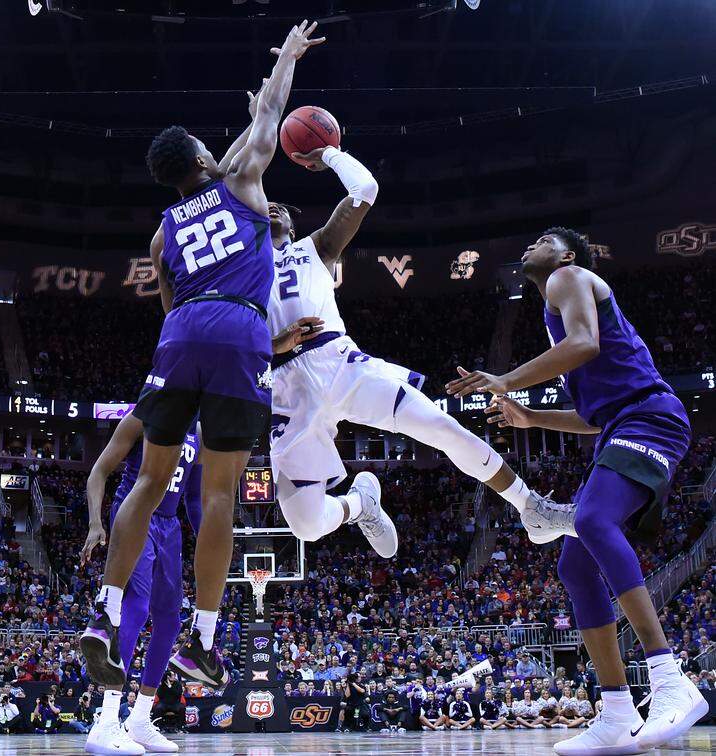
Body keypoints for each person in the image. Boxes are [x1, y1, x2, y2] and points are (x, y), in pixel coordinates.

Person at [81, 20, 325, 696]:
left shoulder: (163, 231)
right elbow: (272, 116)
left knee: (149, 485)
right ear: (200, 158)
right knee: (219, 493)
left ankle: (101, 618)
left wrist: (198, 349)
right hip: (237, 330)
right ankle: (205, 641)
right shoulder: (245, 181)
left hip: (179, 335)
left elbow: (169, 308)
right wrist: (287, 61)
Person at [465, 227, 709, 754]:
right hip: (623, 424)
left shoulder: (567, 278)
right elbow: (594, 416)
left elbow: (586, 345)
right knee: (574, 566)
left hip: (651, 419)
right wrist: (530, 418)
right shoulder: (557, 309)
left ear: (567, 254)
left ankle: (670, 677)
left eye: (544, 238)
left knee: (594, 521)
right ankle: (618, 711)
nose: (531, 244)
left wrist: (506, 381)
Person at [264, 145, 571, 555]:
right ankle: (360, 504)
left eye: (279, 206)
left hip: (338, 363)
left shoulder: (315, 248)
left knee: (440, 427)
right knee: (305, 525)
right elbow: (227, 348)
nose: (271, 208)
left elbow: (365, 188)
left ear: (291, 222)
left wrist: (330, 154)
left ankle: (531, 507)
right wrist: (273, 345)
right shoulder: (237, 272)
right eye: (262, 205)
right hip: (285, 385)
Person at [80, 413, 201, 755]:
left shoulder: (200, 430)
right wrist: (94, 523)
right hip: (134, 513)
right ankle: (106, 721)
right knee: (134, 607)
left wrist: (208, 536)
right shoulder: (144, 414)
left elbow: (193, 497)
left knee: (170, 622)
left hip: (169, 525)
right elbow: (98, 472)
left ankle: (140, 719)